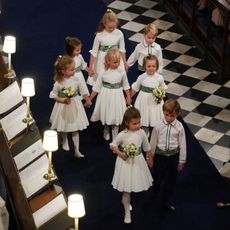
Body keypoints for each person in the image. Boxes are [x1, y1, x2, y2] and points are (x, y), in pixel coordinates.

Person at [110, 106, 153, 224]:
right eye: (134, 123)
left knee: (133, 183)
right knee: (126, 189)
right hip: (125, 163)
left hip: (138, 161)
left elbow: (147, 146)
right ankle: (127, 212)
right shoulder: (122, 134)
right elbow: (113, 146)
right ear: (127, 123)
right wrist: (120, 153)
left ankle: (126, 202)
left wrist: (149, 158)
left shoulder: (142, 133)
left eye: (139, 122)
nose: (138, 125)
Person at [49, 55, 91, 158]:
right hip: (63, 106)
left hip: (75, 105)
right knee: (63, 125)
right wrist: (62, 100)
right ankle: (64, 140)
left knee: (75, 129)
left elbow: (83, 91)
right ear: (63, 71)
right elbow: (53, 95)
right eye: (71, 70)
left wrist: (87, 99)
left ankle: (77, 150)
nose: (74, 71)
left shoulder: (76, 80)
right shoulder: (58, 83)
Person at [150, 98, 187, 211]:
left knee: (171, 180)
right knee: (157, 177)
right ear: (163, 112)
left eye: (172, 116)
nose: (169, 118)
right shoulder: (158, 125)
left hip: (173, 157)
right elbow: (153, 142)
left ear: (177, 114)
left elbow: (183, 144)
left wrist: (182, 160)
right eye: (167, 115)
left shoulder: (179, 127)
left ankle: (166, 200)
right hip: (159, 156)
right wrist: (149, 157)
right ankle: (154, 196)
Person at [90, 48, 131, 141]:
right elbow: (97, 86)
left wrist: (128, 96)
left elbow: (126, 85)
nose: (117, 64)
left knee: (116, 116)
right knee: (107, 112)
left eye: (118, 62)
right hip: (106, 95)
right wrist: (90, 98)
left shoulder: (121, 72)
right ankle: (106, 128)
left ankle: (115, 138)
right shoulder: (103, 71)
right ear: (108, 61)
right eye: (114, 62)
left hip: (117, 95)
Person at [88, 9, 128, 86]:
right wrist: (91, 67)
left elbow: (122, 50)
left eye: (114, 27)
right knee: (102, 81)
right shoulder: (99, 35)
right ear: (104, 24)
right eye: (110, 27)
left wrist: (125, 63)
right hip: (102, 61)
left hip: (116, 58)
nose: (112, 29)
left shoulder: (119, 33)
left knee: (115, 80)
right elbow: (94, 52)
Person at [131, 55, 166, 137]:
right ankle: (145, 133)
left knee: (155, 117)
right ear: (144, 66)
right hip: (144, 101)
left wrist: (160, 95)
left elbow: (163, 88)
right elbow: (135, 88)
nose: (151, 68)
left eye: (153, 66)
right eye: (149, 66)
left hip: (155, 102)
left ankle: (154, 134)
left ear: (157, 66)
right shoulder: (142, 77)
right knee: (144, 117)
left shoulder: (159, 78)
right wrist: (129, 97)